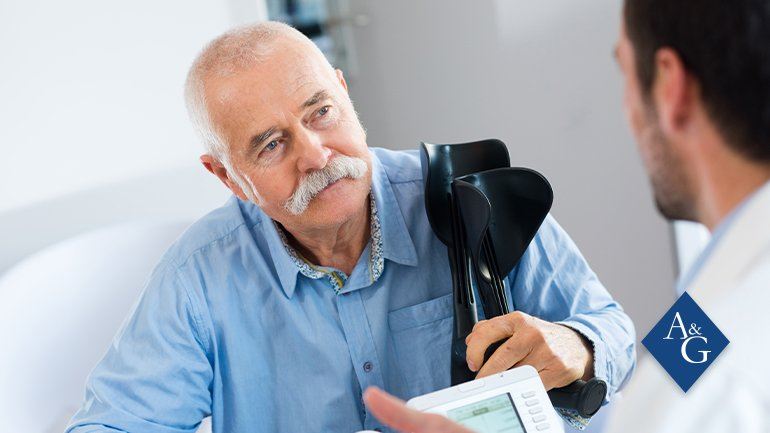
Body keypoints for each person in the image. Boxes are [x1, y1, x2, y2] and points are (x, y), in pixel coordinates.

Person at [65, 22, 635, 433]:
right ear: (228, 177)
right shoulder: (199, 278)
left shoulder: (472, 197)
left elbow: (614, 329)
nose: (315, 155)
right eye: (271, 144)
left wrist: (578, 346)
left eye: (321, 112)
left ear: (344, 92)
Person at [364, 0, 770, 432]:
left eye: (625, 74)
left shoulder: (733, 371)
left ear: (670, 87)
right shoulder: (715, 296)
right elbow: (648, 401)